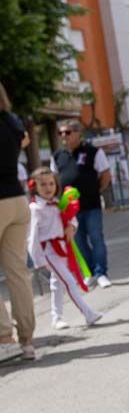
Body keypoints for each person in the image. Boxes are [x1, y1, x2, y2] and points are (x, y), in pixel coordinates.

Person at [27, 168, 103, 330]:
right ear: (34, 187)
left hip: (63, 249)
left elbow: (71, 219)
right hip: (48, 251)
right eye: (43, 185)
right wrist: (37, 259)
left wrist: (71, 227)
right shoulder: (35, 208)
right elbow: (32, 235)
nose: (48, 188)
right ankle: (88, 313)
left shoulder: (58, 203)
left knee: (58, 284)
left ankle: (56, 317)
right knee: (69, 280)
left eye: (51, 183)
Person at [52, 120, 112, 288]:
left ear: (78, 134)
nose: (64, 136)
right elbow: (55, 180)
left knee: (96, 238)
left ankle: (101, 273)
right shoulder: (58, 156)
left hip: (91, 204)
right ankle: (90, 273)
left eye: (68, 132)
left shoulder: (93, 152)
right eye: (61, 133)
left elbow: (105, 174)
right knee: (79, 241)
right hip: (70, 209)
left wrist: (96, 190)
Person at [0, 82, 36, 363]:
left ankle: (3, 338)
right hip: (17, 200)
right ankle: (27, 341)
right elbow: (24, 140)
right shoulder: (12, 123)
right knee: (18, 271)